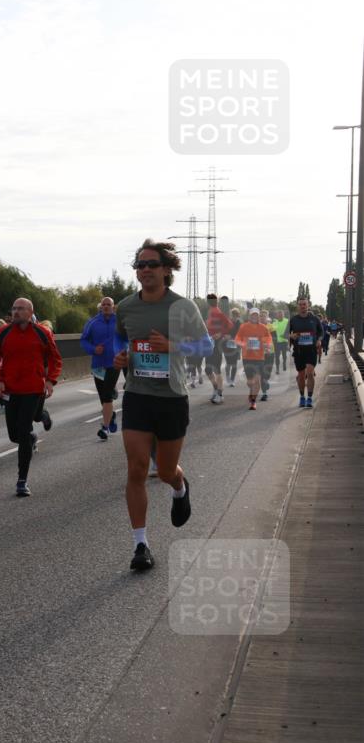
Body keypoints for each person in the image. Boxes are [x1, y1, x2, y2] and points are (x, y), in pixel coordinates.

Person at [113, 240, 212, 571]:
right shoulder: (126, 307)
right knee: (137, 468)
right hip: (138, 395)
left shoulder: (182, 307)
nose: (144, 270)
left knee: (166, 470)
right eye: (139, 265)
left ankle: (180, 487)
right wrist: (120, 356)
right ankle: (140, 545)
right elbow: (120, 338)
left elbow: (206, 347)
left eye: (151, 264)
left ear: (166, 269)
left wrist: (172, 346)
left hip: (171, 398)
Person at [0, 297, 62, 496]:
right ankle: (35, 429)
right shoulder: (2, 333)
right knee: (15, 435)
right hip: (11, 391)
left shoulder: (42, 332)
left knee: (22, 432)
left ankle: (22, 480)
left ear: (30, 313)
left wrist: (50, 380)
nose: (16, 312)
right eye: (14, 308)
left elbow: (55, 359)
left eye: (20, 309)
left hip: (33, 389)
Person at [80, 297, 121, 440]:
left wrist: (124, 352)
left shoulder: (119, 321)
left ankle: (105, 427)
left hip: (115, 363)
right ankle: (111, 415)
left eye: (109, 304)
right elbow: (84, 340)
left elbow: (128, 338)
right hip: (98, 364)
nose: (106, 306)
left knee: (107, 394)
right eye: (104, 304)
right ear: (100, 307)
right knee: (103, 397)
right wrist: (93, 349)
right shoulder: (92, 322)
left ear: (113, 307)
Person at [286, 297, 323, 409]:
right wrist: (291, 336)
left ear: (308, 305)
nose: (302, 306)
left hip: (311, 350)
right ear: (298, 306)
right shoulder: (293, 320)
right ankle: (302, 396)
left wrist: (319, 340)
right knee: (301, 376)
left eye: (304, 304)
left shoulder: (314, 319)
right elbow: (285, 334)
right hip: (299, 351)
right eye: (300, 304)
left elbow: (321, 332)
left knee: (310, 373)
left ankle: (310, 398)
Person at [234, 308, 274, 410]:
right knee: (250, 382)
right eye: (252, 315)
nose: (254, 317)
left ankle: (253, 401)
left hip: (259, 358)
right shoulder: (244, 327)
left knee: (257, 380)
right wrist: (243, 344)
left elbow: (269, 339)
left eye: (256, 315)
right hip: (247, 357)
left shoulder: (263, 328)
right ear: (249, 316)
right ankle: (251, 391)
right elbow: (237, 339)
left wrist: (267, 345)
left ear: (258, 316)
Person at [204, 293, 233, 404]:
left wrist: (220, 333)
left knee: (216, 369)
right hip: (209, 344)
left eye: (213, 300)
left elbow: (230, 325)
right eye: (209, 300)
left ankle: (220, 395)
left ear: (216, 301)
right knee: (208, 370)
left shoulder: (218, 312)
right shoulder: (209, 312)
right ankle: (216, 389)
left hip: (217, 344)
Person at [258, 310, 275, 401]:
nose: (262, 317)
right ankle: (264, 393)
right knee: (262, 373)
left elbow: (275, 339)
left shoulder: (271, 327)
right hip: (259, 353)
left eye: (264, 316)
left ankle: (266, 381)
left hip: (270, 352)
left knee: (267, 373)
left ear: (267, 317)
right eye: (261, 316)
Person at [223, 306, 242, 386]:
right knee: (228, 363)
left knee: (234, 363)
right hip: (227, 346)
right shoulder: (227, 322)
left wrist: (232, 337)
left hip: (236, 346)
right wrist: (225, 336)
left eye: (236, 315)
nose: (234, 317)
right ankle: (227, 376)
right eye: (233, 315)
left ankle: (232, 380)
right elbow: (223, 331)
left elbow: (240, 334)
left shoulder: (240, 324)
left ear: (238, 316)